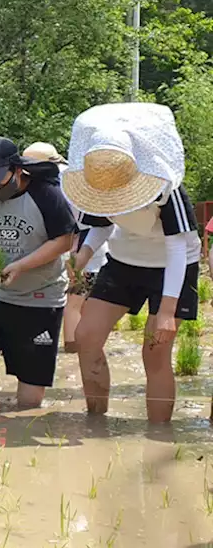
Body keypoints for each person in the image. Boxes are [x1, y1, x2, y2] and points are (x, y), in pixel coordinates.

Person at [62, 103, 199, 424]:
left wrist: (167, 311)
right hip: (123, 261)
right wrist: (81, 258)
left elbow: (178, 247)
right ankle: (96, 421)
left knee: (154, 352)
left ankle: (158, 435)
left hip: (173, 268)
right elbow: (102, 225)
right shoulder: (98, 180)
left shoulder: (166, 187)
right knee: (86, 335)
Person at [0, 138, 77, 408]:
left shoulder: (46, 195)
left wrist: (21, 265)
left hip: (41, 296)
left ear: (17, 169)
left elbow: (66, 240)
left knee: (31, 391)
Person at [23, 142, 108, 353]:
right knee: (82, 303)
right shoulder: (69, 176)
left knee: (74, 303)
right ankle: (80, 349)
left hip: (83, 249)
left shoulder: (59, 183)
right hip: (91, 248)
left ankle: (73, 349)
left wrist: (75, 256)